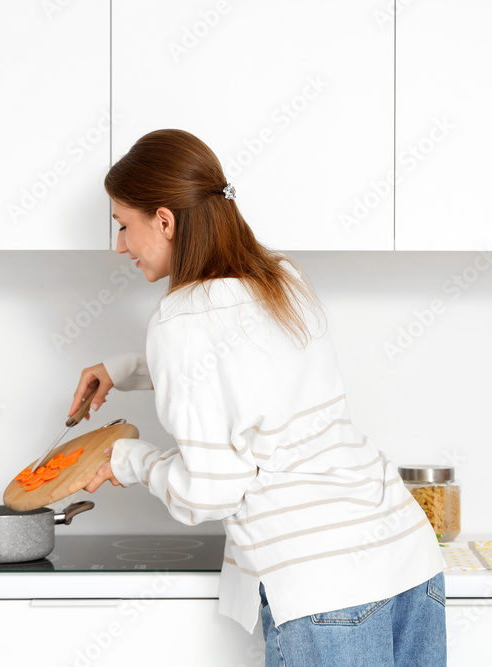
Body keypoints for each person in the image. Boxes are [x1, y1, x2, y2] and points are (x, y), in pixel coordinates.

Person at [73, 129, 447, 665]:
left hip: (324, 582)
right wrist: (126, 369)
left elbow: (209, 491)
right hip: (406, 552)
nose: (120, 246)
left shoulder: (179, 322)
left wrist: (126, 459)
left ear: (164, 220)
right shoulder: (281, 276)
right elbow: (244, 375)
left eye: (123, 226)